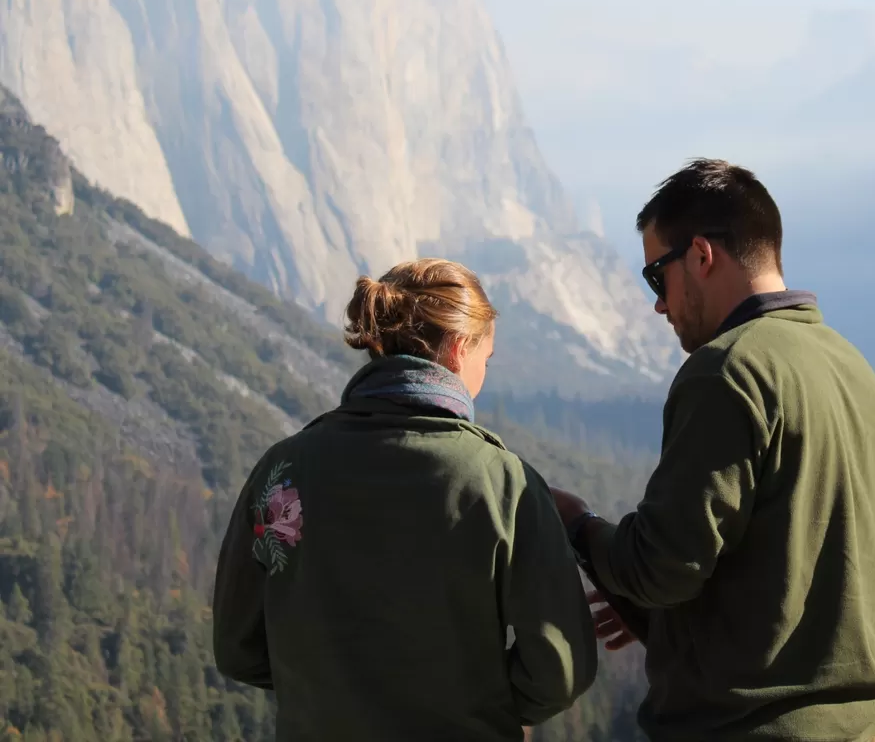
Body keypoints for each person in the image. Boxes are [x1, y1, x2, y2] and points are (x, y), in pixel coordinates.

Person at [550, 159, 875, 742]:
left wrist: (578, 525)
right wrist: (659, 620)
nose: (659, 305)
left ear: (701, 256)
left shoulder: (726, 372)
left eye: (655, 278)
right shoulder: (855, 372)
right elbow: (784, 571)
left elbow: (662, 567)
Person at [212, 258, 597, 741]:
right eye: (487, 358)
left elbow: (236, 649)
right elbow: (560, 671)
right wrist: (477, 706)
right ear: (459, 349)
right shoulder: (504, 483)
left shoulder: (284, 471)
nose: (484, 372)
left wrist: (331, 692)